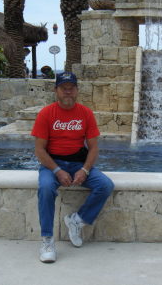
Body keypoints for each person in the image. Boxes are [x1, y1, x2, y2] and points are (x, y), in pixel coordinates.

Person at [31, 71, 114, 263]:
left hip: (78, 162)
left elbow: (93, 148)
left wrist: (84, 170)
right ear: (56, 91)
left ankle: (77, 221)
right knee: (45, 188)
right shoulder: (46, 114)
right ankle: (47, 241)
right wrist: (57, 171)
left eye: (71, 88)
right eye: (63, 88)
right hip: (52, 164)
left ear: (76, 90)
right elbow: (39, 151)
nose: (67, 92)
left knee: (105, 185)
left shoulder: (85, 113)